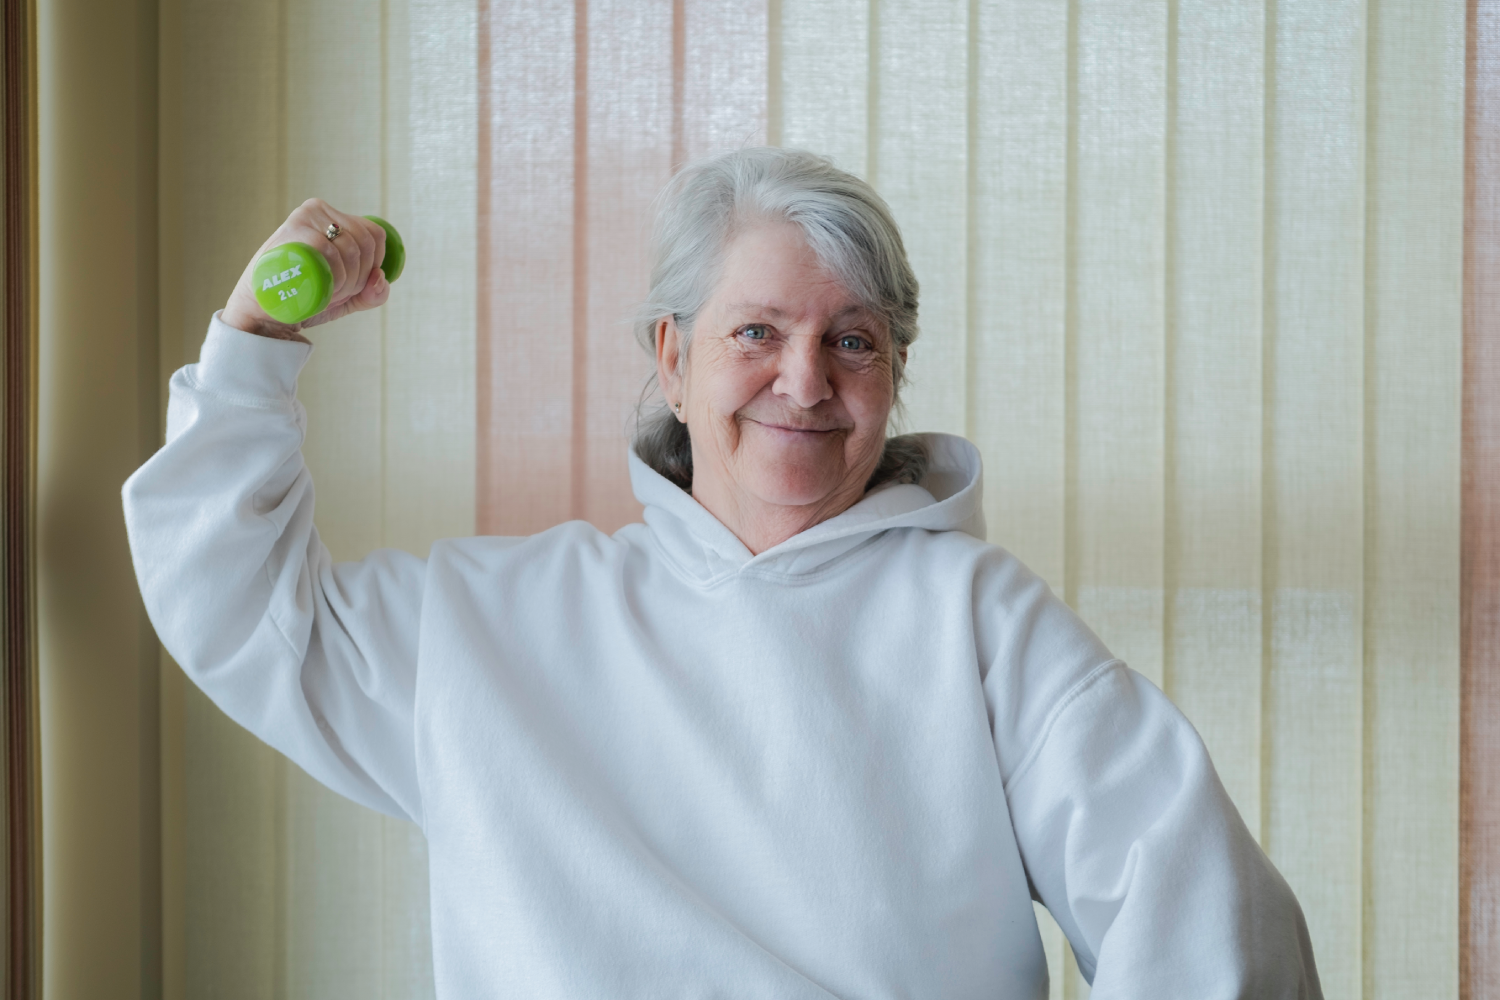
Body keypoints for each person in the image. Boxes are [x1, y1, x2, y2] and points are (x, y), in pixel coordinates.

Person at [124, 147, 1321, 997]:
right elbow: (235, 600)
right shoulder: (488, 625)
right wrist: (255, 344)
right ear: (673, 357)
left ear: (891, 377)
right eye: (758, 332)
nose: (805, 382)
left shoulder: (980, 623)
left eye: (852, 340)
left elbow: (1210, 930)